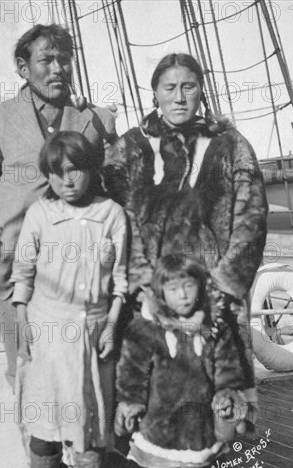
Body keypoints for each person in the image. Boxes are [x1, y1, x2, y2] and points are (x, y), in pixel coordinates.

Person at [104, 51, 267, 414]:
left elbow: (251, 219)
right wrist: (141, 282)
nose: (179, 97)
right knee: (153, 388)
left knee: (218, 394)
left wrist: (224, 285)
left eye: (188, 87)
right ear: (155, 94)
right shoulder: (131, 148)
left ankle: (215, 466)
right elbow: (115, 220)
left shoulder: (231, 145)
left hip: (214, 294)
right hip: (149, 295)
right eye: (170, 87)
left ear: (201, 91)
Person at [0, 24, 117, 389]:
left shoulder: (97, 119)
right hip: (13, 267)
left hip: (81, 266)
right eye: (47, 60)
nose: (58, 68)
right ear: (24, 69)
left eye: (65, 60)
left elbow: (117, 188)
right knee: (26, 369)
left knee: (82, 369)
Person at [10, 131, 127, 468]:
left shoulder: (112, 214)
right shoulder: (40, 215)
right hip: (47, 332)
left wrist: (111, 324)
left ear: (91, 170)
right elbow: (22, 277)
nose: (67, 181)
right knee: (45, 420)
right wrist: (24, 323)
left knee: (89, 423)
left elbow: (121, 282)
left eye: (75, 170)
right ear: (49, 177)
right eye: (57, 174)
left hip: (94, 333)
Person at [115, 255, 257, 468]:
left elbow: (228, 365)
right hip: (161, 417)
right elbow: (132, 369)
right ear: (160, 293)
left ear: (201, 287)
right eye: (173, 288)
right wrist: (131, 402)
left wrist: (227, 394)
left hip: (200, 416)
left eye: (189, 285)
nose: (182, 294)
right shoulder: (148, 329)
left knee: (199, 465)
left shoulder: (214, 326)